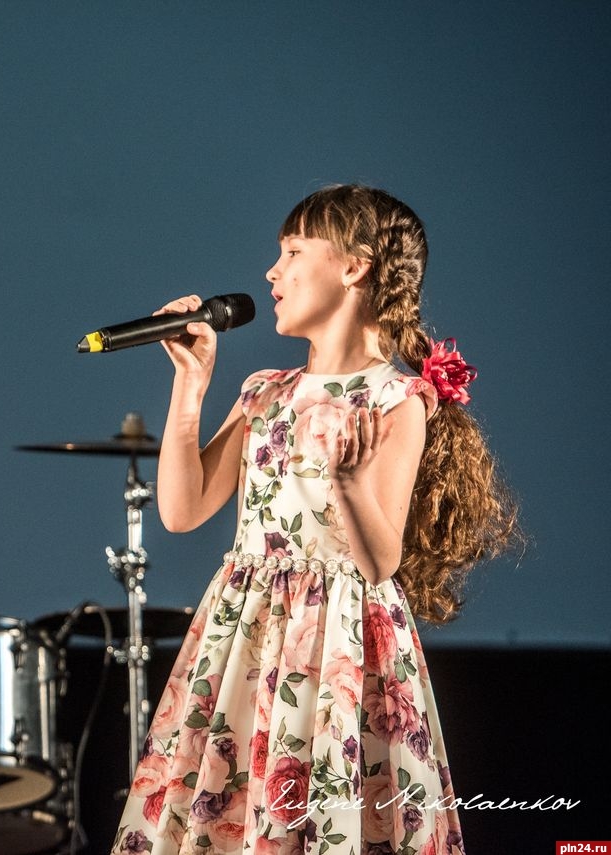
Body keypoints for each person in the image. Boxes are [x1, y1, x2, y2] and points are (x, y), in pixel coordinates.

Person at [109, 184, 519, 854]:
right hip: (248, 638)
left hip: (339, 646)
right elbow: (182, 511)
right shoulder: (265, 391)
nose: (273, 271)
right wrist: (191, 385)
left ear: (354, 266)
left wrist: (350, 484)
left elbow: (379, 562)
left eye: (294, 251)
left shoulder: (397, 399)